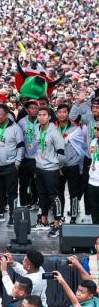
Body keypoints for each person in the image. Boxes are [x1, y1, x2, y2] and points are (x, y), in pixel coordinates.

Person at [0, 104, 23, 226]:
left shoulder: (15, 128)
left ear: (6, 115)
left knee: (12, 192)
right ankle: (0, 213)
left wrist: (17, 162)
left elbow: (20, 146)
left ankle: (13, 215)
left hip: (10, 165)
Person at [33, 107, 65, 237]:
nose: (41, 117)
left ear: (49, 117)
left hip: (51, 169)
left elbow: (62, 153)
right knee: (42, 195)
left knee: (54, 197)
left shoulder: (54, 132)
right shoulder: (37, 128)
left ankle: (57, 224)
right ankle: (44, 221)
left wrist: (57, 166)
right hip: (39, 168)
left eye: (44, 115)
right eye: (39, 115)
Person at [70, 94, 99, 223]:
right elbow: (72, 117)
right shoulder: (88, 118)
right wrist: (77, 103)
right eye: (93, 107)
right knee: (88, 187)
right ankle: (88, 214)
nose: (94, 110)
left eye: (97, 107)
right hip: (89, 157)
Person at [55, 104, 85, 223]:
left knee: (74, 193)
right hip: (58, 166)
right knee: (58, 193)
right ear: (57, 114)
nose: (62, 114)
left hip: (73, 165)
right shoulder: (53, 128)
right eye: (59, 112)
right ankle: (59, 215)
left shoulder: (76, 129)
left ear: (68, 114)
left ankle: (73, 216)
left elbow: (81, 148)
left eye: (64, 112)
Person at [17, 100, 39, 208]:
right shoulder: (21, 122)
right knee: (23, 183)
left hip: (37, 158)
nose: (34, 110)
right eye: (32, 108)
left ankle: (35, 201)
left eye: (36, 108)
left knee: (36, 182)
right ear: (27, 110)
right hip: (24, 157)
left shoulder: (41, 121)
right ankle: (23, 203)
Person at [88, 121, 99, 224]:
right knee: (94, 207)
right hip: (92, 181)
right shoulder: (93, 142)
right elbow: (93, 157)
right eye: (95, 128)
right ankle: (95, 228)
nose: (95, 131)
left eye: (97, 129)